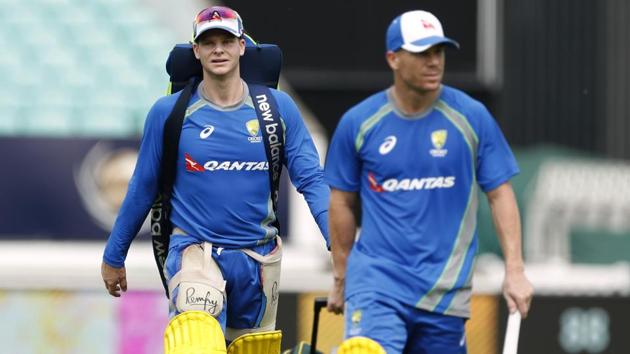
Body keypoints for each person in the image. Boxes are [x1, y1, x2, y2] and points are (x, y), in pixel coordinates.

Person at [101, 5, 329, 342]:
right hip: (195, 253)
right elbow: (143, 187)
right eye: (208, 42)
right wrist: (113, 256)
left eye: (226, 40)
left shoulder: (278, 109)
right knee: (196, 341)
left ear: (241, 46)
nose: (218, 49)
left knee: (250, 350)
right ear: (196, 50)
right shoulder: (169, 112)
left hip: (258, 260)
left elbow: (311, 181)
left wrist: (337, 244)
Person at [324, 10, 533, 353]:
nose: (434, 61)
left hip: (445, 293)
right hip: (377, 283)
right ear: (393, 58)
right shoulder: (359, 122)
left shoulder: (471, 117)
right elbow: (342, 201)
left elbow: (500, 194)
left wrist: (515, 270)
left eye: (439, 52)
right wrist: (342, 278)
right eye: (422, 53)